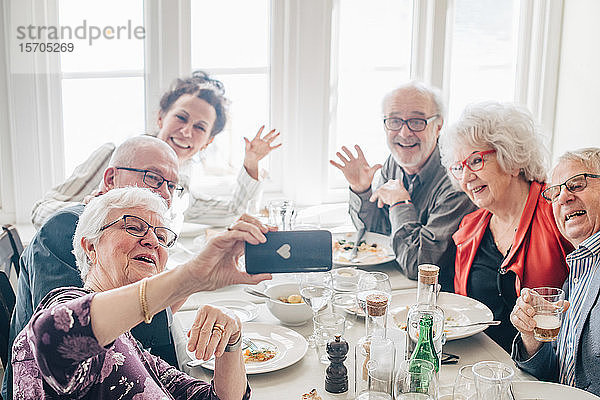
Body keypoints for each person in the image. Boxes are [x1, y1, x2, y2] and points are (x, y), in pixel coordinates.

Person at [12, 187, 271, 399]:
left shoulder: (128, 342)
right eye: (133, 227)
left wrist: (232, 340)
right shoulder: (64, 308)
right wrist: (189, 277)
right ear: (90, 247)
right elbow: (51, 338)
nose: (152, 241)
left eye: (161, 236)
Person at [4, 137, 178, 400]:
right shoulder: (65, 228)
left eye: (172, 186)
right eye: (153, 178)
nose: (164, 193)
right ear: (110, 179)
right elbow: (71, 342)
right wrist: (184, 281)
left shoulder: (133, 242)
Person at [31, 70, 281, 230]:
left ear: (207, 142)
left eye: (199, 127)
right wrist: (92, 211)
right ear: (161, 117)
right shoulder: (113, 156)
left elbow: (232, 213)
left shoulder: (178, 188)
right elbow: (41, 209)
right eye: (181, 118)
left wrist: (251, 163)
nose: (185, 132)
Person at [438, 102, 572, 352]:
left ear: (511, 159)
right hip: (480, 363)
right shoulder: (469, 229)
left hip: (548, 369)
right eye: (458, 168)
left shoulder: (557, 211)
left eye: (475, 161)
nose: (466, 178)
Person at [330, 81, 475, 290]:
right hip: (397, 286)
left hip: (439, 300)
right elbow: (380, 236)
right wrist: (362, 191)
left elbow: (419, 266)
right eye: (395, 121)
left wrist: (400, 204)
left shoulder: (457, 177)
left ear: (439, 126)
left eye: (417, 121)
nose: (405, 133)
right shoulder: (395, 161)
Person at [510, 148, 600, 396]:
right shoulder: (578, 272)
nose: (563, 198)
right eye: (556, 192)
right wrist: (532, 336)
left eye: (576, 185)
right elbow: (558, 376)